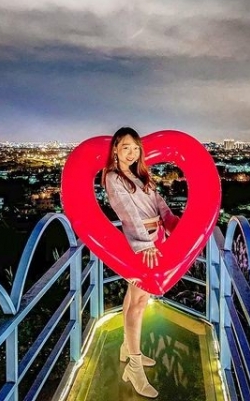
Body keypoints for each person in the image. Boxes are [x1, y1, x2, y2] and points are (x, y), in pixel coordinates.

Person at [102, 127, 179, 398]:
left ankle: (128, 348)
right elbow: (128, 214)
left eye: (135, 148)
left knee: (135, 298)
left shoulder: (142, 176)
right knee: (138, 303)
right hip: (141, 245)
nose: (132, 152)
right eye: (126, 147)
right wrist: (144, 244)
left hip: (156, 239)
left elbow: (161, 206)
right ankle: (134, 367)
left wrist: (175, 225)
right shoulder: (114, 177)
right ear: (115, 149)